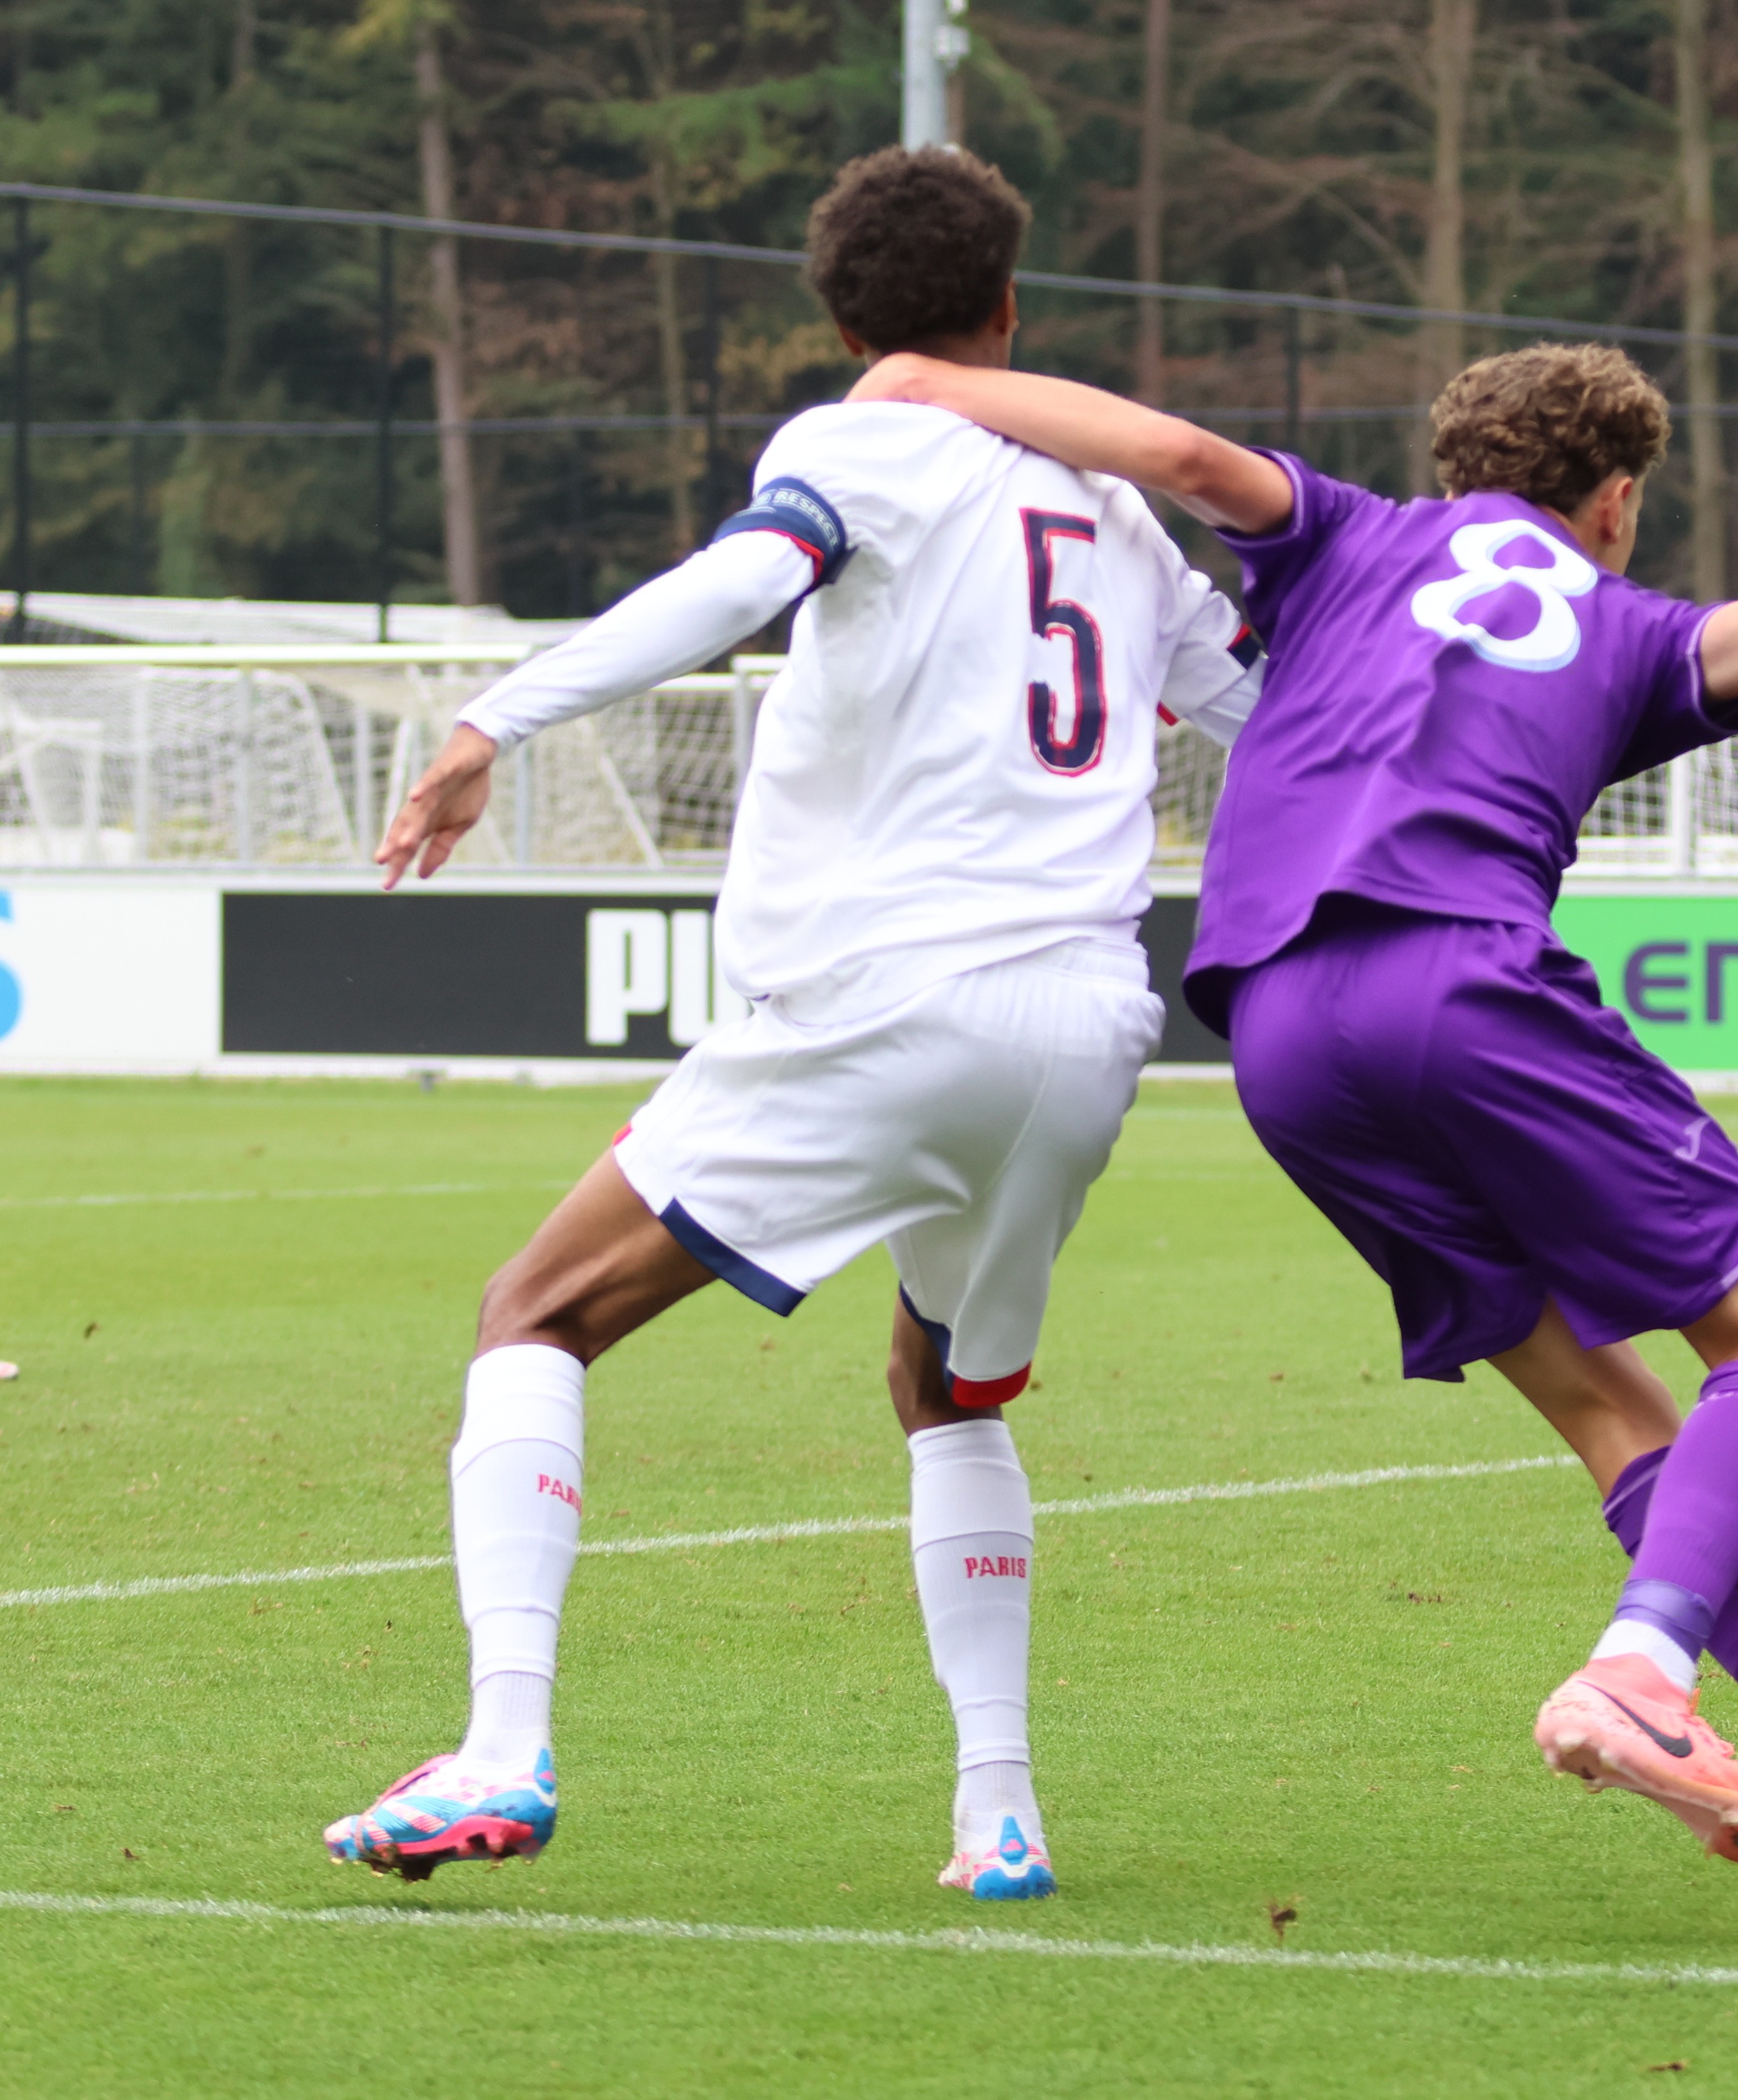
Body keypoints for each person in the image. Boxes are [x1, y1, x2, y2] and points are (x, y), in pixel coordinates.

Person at [849, 340, 1738, 1913]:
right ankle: (1638, 1672)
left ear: (1464, 469)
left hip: (1281, 1038)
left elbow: (1171, 450)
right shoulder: (1626, 619)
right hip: (1461, 983)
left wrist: (931, 387)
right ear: (1619, 499)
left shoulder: (1349, 533)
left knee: (1620, 1423)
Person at [321, 145, 1260, 1897]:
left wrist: (489, 722)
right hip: (1087, 1019)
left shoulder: (853, 443)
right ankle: (1000, 1813)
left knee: (533, 1311)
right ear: (1007, 307)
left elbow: (738, 583)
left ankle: (503, 1745)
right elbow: (1264, 712)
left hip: (889, 995)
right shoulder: (1118, 511)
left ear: (842, 319)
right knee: (946, 1383)